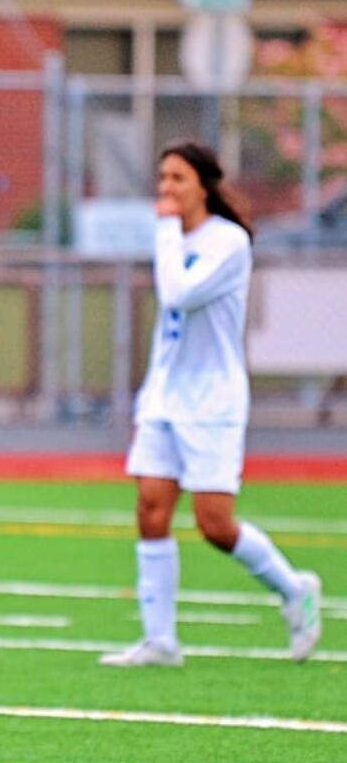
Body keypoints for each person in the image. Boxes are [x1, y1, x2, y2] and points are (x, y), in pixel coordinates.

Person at [100, 140, 321, 668]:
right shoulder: (177, 237)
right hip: (164, 395)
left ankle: (294, 590)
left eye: (177, 178)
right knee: (151, 512)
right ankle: (161, 641)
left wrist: (163, 230)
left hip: (213, 401)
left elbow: (178, 293)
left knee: (215, 525)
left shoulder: (228, 243)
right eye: (162, 179)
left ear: (204, 184)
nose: (166, 189)